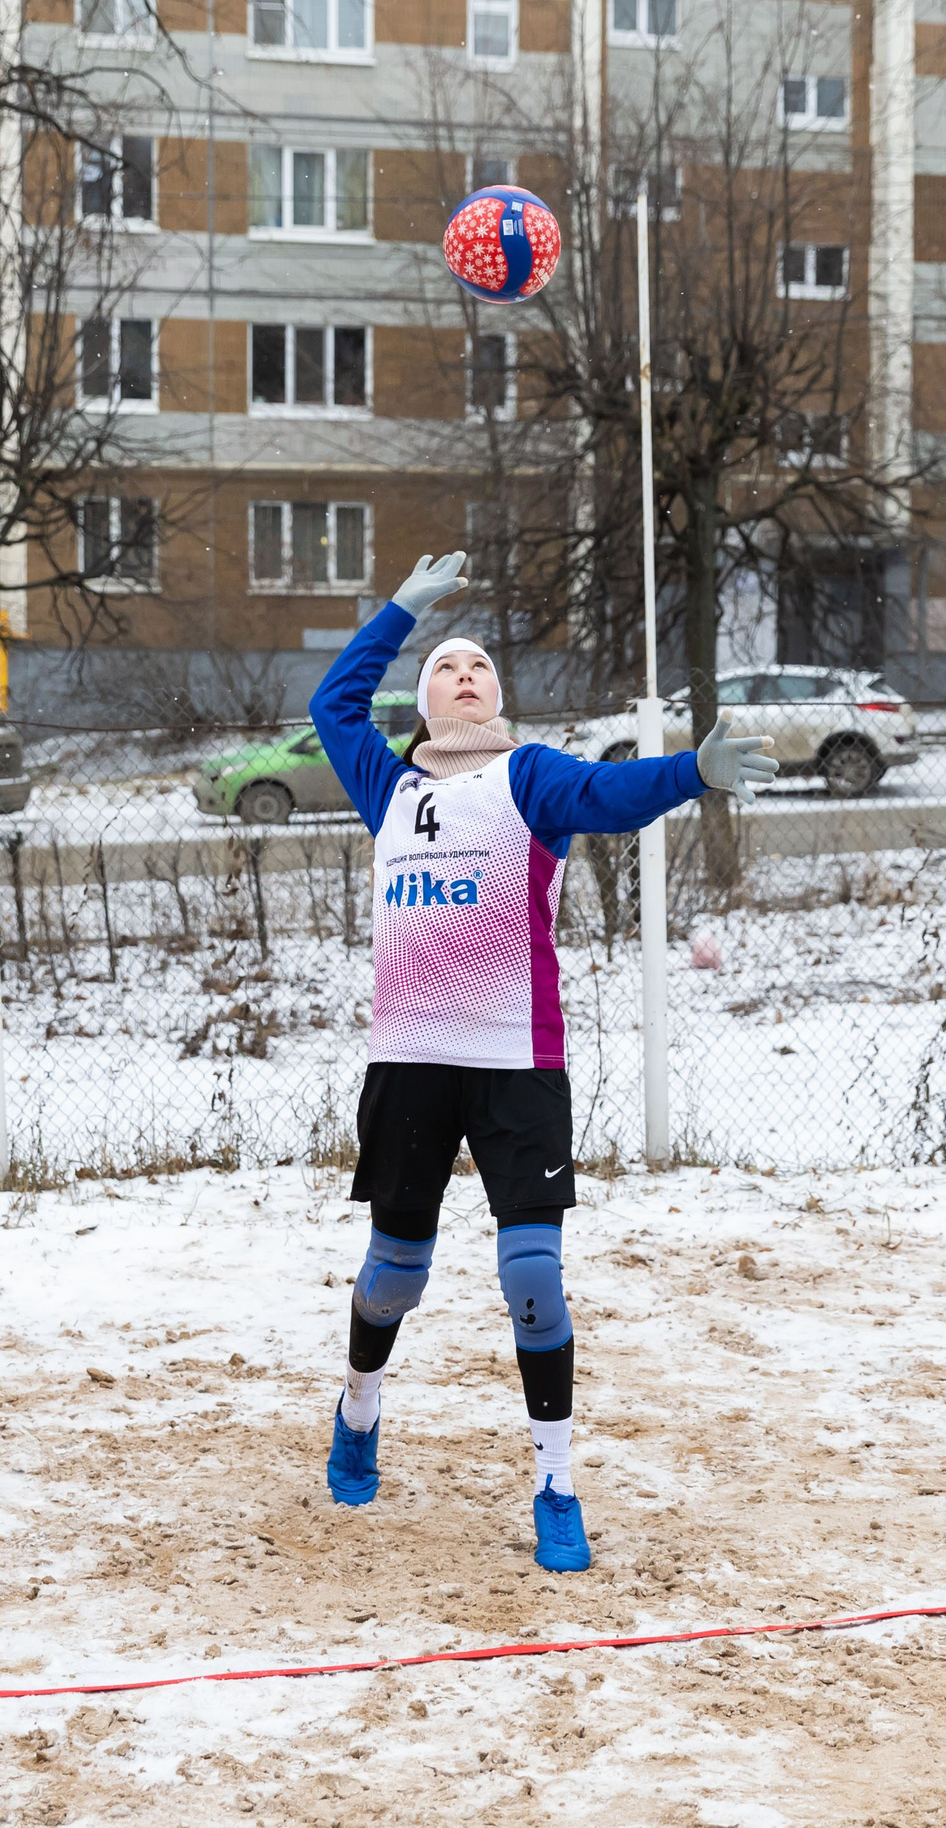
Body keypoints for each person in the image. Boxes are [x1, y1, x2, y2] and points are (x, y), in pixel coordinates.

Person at [310, 551, 776, 1572]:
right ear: (423, 700)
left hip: (517, 1060)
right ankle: (359, 1407)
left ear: (499, 694)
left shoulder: (528, 775)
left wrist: (693, 771)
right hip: (410, 1059)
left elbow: (611, 793)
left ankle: (556, 1485)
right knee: (393, 1278)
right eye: (446, 667)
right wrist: (400, 613)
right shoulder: (387, 785)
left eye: (478, 664)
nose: (464, 673)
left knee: (532, 1276)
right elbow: (331, 703)